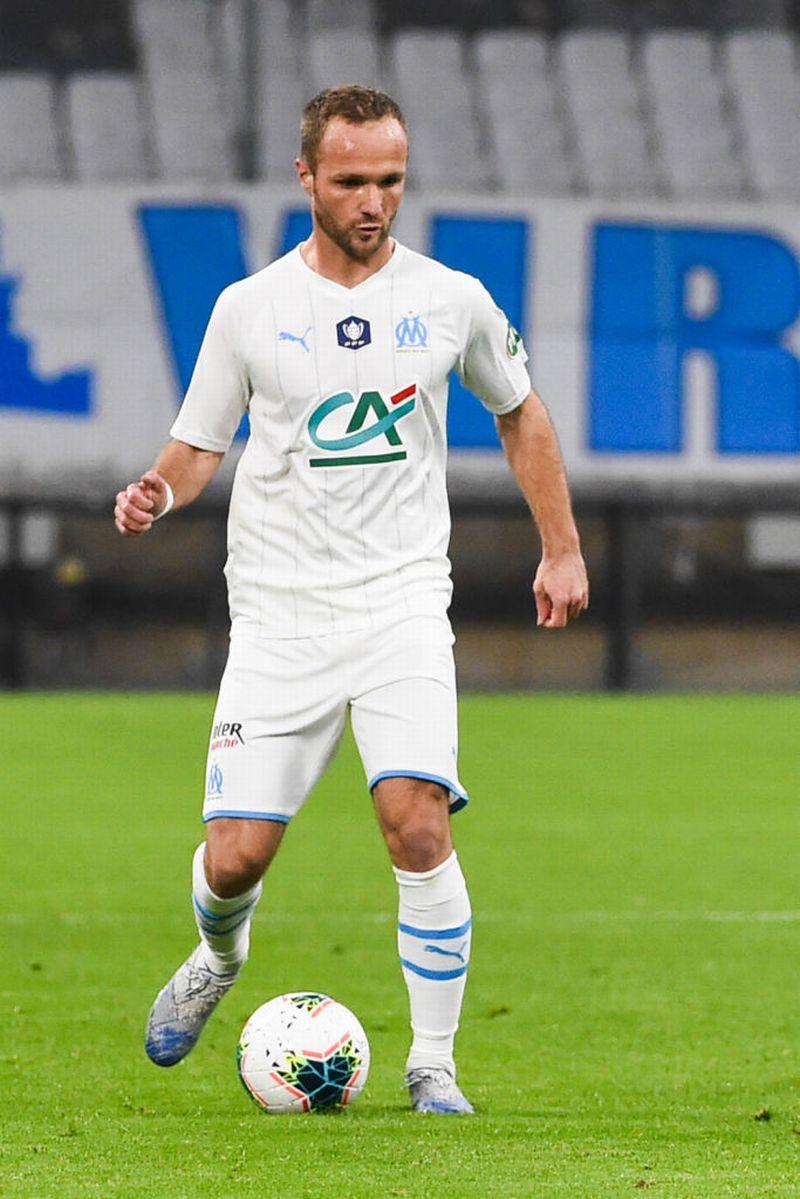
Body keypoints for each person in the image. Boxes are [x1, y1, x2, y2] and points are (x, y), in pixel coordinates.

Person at [114, 85, 589, 1115]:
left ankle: (433, 1064)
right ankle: (217, 955)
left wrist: (560, 547)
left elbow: (521, 412)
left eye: (390, 180)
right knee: (235, 858)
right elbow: (198, 444)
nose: (373, 201)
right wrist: (158, 491)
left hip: (400, 605)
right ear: (306, 178)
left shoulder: (451, 299)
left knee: (415, 821)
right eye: (351, 181)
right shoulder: (249, 309)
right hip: (279, 615)